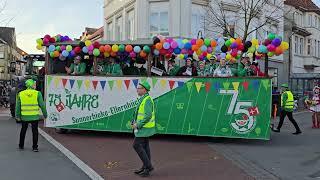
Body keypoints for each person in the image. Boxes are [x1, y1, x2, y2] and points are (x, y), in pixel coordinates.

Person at [16, 79, 47, 152]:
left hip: (24, 116)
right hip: (34, 116)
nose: (35, 85)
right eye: (34, 84)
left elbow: (18, 106)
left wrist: (17, 116)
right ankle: (35, 147)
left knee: (23, 130)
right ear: (31, 85)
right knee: (35, 131)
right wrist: (45, 114)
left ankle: (21, 145)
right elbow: (42, 105)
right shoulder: (38, 93)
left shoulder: (20, 94)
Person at [132, 81, 156, 177]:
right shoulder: (144, 98)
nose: (137, 89)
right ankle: (145, 168)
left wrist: (138, 125)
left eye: (139, 88)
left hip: (144, 128)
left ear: (144, 90)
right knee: (145, 147)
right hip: (144, 128)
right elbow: (139, 113)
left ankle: (148, 166)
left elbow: (148, 116)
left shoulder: (147, 100)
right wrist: (134, 122)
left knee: (136, 145)